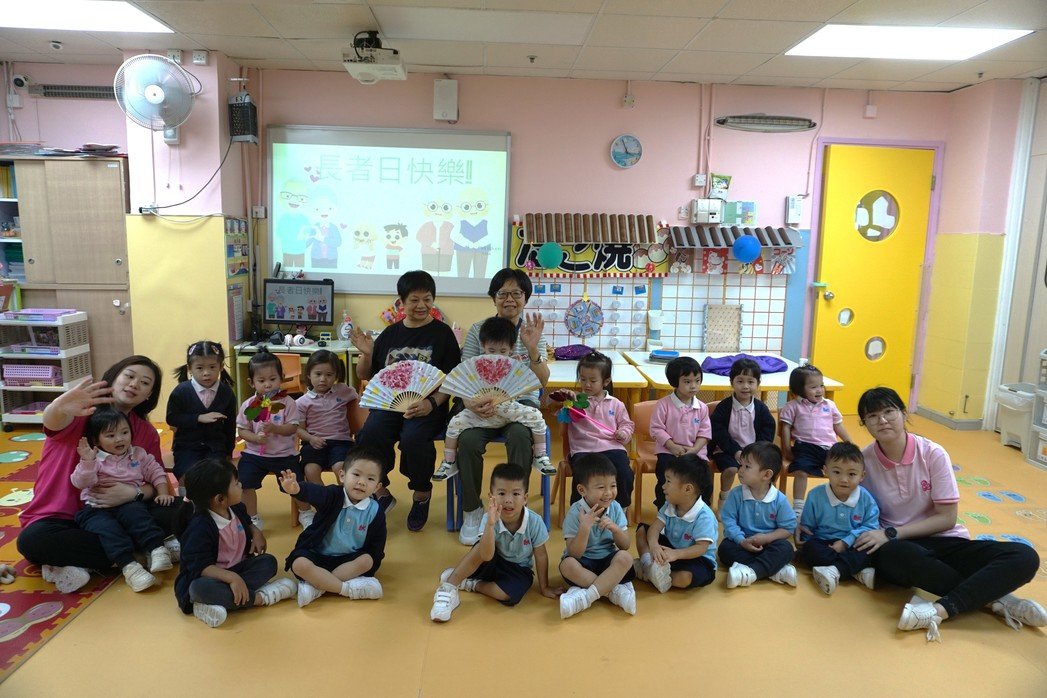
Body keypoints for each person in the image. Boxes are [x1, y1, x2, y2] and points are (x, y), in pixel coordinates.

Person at [854, 387, 1044, 641]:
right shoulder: (864, 462)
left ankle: (944, 608)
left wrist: (891, 532)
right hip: (901, 549)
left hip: (942, 539)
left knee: (1024, 556)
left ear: (903, 413)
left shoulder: (932, 453)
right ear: (864, 423)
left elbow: (946, 518)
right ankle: (996, 598)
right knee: (894, 554)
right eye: (872, 416)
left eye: (889, 411)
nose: (882, 420)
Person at [16, 356, 179, 594]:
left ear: (149, 395)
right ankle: (137, 554)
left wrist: (132, 493)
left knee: (180, 509)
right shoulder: (80, 414)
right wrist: (59, 407)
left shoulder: (145, 431)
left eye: (144, 383)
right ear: (113, 378)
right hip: (64, 518)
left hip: (123, 513)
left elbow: (155, 480)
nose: (134, 384)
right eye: (129, 376)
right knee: (32, 540)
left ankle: (93, 560)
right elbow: (52, 421)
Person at [350, 270, 461, 532]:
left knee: (414, 438)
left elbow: (452, 380)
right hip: (390, 404)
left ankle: (421, 493)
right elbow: (365, 375)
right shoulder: (390, 335)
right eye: (414, 299)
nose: (421, 305)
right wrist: (367, 354)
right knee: (371, 432)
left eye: (427, 299)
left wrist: (431, 403)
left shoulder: (443, 334)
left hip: (427, 405)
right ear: (401, 302)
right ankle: (380, 489)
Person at [452, 268, 549, 545]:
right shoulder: (479, 330)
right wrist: (470, 402)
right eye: (502, 293)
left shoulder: (532, 331)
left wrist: (532, 349)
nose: (509, 299)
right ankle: (472, 510)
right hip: (482, 404)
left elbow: (541, 381)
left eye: (516, 293)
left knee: (520, 436)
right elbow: (465, 375)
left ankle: (514, 508)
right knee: (467, 440)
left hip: (520, 405)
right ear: (493, 297)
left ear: (525, 298)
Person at [430, 463, 562, 622]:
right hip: (491, 559)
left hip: (518, 569)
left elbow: (541, 556)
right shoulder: (489, 518)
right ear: (491, 496)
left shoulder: (535, 521)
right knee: (479, 548)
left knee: (509, 595)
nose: (508, 500)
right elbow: (485, 555)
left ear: (525, 498)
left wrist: (544, 587)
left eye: (516, 493)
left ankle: (470, 584)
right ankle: (449, 587)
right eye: (501, 493)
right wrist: (491, 525)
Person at [174, 459, 297, 628]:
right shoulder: (199, 527)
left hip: (238, 568)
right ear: (220, 499)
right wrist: (232, 578)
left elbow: (248, 522)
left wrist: (256, 532)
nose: (241, 485)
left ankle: (219, 601)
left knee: (269, 562)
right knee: (198, 589)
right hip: (209, 577)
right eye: (236, 484)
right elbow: (200, 567)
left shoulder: (236, 507)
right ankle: (260, 598)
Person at [433, 317, 552, 484]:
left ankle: (540, 455)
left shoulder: (514, 365)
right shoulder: (474, 366)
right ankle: (449, 461)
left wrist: (529, 353)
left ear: (511, 349)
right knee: (454, 424)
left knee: (536, 417)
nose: (497, 355)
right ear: (483, 346)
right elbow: (465, 386)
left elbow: (530, 383)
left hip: (508, 409)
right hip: (481, 412)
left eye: (503, 351)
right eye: (491, 350)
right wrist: (473, 402)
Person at [71, 408, 174, 592]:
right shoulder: (94, 460)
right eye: (111, 435)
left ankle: (157, 549)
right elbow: (80, 482)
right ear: (96, 440)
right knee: (108, 530)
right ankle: (130, 568)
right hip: (96, 508)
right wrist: (87, 462)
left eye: (124, 433)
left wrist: (163, 492)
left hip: (128, 503)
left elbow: (156, 471)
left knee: (138, 515)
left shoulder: (138, 454)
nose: (119, 439)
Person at [279, 447, 386, 607]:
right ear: (342, 476)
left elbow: (377, 545)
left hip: (348, 561)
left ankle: (317, 587)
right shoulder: (333, 495)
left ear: (377, 487)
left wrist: (372, 561)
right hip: (318, 555)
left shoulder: (375, 511)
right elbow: (316, 492)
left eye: (370, 479)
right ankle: (347, 589)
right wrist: (297, 489)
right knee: (299, 564)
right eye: (356, 475)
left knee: (367, 561)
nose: (362, 482)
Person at [552, 351, 635, 513]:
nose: (587, 384)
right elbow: (552, 404)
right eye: (583, 379)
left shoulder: (616, 404)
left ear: (606, 381)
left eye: (592, 380)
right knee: (584, 476)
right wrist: (563, 397)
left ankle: (620, 510)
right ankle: (579, 512)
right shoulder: (575, 401)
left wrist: (623, 433)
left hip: (612, 447)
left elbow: (627, 425)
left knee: (624, 472)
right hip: (583, 450)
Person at [235, 350, 309, 530]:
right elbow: (242, 430)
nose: (268, 385)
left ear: (281, 378)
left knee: (295, 483)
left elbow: (293, 428)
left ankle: (306, 512)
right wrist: (255, 438)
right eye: (261, 381)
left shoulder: (288, 403)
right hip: (254, 455)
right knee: (244, 483)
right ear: (251, 382)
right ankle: (252, 518)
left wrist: (275, 429)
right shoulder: (249, 405)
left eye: (273, 379)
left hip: (284, 455)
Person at [558, 454, 636, 619]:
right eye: (601, 487)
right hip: (584, 563)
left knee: (625, 558)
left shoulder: (615, 508)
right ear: (582, 490)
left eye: (613, 486)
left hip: (608, 562)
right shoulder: (575, 512)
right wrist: (584, 528)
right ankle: (612, 591)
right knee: (567, 565)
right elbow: (574, 554)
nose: (608, 493)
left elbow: (625, 545)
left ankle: (587, 597)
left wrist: (615, 530)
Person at [798, 441, 879, 595]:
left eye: (851, 474)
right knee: (810, 550)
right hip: (825, 543)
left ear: (862, 476)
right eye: (837, 472)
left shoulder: (866, 498)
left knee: (871, 549)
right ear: (825, 471)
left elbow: (871, 526)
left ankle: (836, 570)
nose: (843, 479)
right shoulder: (815, 495)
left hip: (854, 544)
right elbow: (807, 526)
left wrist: (845, 542)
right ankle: (855, 571)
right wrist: (805, 542)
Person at [718, 441, 798, 589]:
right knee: (725, 550)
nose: (740, 470)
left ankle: (752, 572)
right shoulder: (736, 494)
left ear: (767, 474)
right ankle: (775, 570)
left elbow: (788, 528)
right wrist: (741, 540)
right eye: (741, 465)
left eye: (747, 467)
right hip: (742, 541)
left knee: (786, 548)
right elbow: (729, 521)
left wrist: (767, 538)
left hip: (769, 544)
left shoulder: (779, 499)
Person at [295, 350, 359, 528]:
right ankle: (326, 505)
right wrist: (311, 438)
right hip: (314, 442)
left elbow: (359, 402)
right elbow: (298, 429)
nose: (323, 379)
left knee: (341, 468)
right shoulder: (302, 402)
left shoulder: (343, 390)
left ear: (336, 375)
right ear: (309, 375)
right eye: (318, 374)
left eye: (329, 375)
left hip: (341, 442)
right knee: (310, 470)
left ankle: (349, 505)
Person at [634, 457, 718, 593]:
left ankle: (648, 573)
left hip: (697, 558)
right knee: (642, 529)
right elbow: (655, 528)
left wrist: (677, 554)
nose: (663, 486)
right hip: (671, 552)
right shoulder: (670, 505)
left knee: (685, 578)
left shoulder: (704, 516)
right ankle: (646, 563)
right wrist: (654, 546)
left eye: (668, 481)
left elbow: (701, 548)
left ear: (687, 489)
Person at [779, 364, 851, 518]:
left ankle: (837, 503)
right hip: (805, 447)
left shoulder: (829, 405)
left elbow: (838, 426)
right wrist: (787, 449)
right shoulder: (792, 406)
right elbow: (785, 428)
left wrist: (850, 444)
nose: (819, 390)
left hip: (829, 448)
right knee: (801, 471)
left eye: (821, 385)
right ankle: (798, 509)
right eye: (813, 387)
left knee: (841, 470)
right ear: (799, 389)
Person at [165, 340, 237, 491]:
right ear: (189, 369)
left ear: (221, 366)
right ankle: (186, 503)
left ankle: (213, 503)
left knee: (217, 476)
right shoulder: (181, 391)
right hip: (187, 445)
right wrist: (198, 418)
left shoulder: (226, 392)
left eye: (212, 367)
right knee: (187, 474)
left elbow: (230, 425)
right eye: (199, 368)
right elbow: (172, 418)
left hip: (216, 446)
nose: (206, 373)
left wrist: (229, 452)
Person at [709, 357, 776, 510]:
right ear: (732, 383)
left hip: (755, 452)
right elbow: (718, 431)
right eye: (740, 381)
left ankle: (755, 501)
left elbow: (768, 430)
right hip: (727, 450)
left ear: (758, 384)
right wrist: (735, 451)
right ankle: (724, 498)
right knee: (731, 469)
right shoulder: (724, 407)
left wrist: (756, 451)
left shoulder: (761, 408)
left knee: (758, 471)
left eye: (750, 382)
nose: (745, 386)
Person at [649, 357, 712, 509]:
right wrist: (672, 446)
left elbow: (705, 432)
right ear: (674, 382)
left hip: (695, 453)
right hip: (668, 451)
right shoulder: (663, 404)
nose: (694, 386)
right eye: (687, 382)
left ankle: (700, 510)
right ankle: (664, 509)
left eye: (697, 381)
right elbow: (656, 429)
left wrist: (695, 449)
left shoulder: (702, 407)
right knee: (666, 479)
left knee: (704, 481)